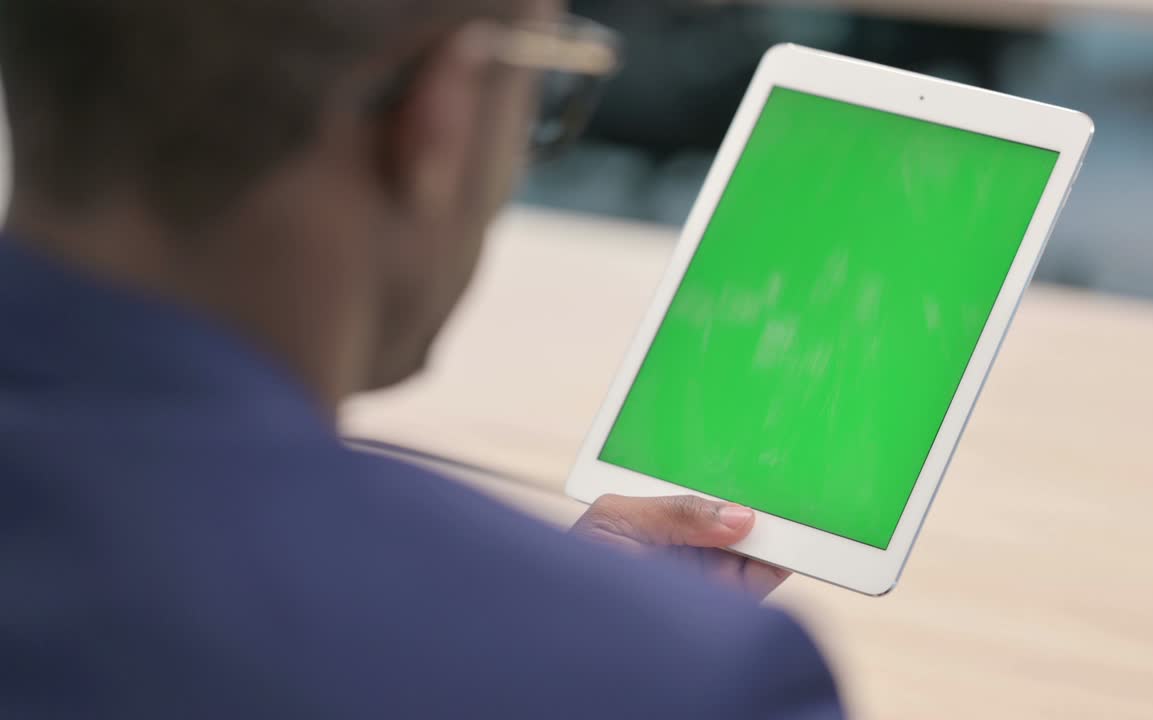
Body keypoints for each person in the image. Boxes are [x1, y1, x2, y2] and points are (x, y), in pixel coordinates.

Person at [0, 1, 844, 718]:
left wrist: (522, 613)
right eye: (547, 77)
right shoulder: (696, 685)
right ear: (442, 111)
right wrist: (581, 638)